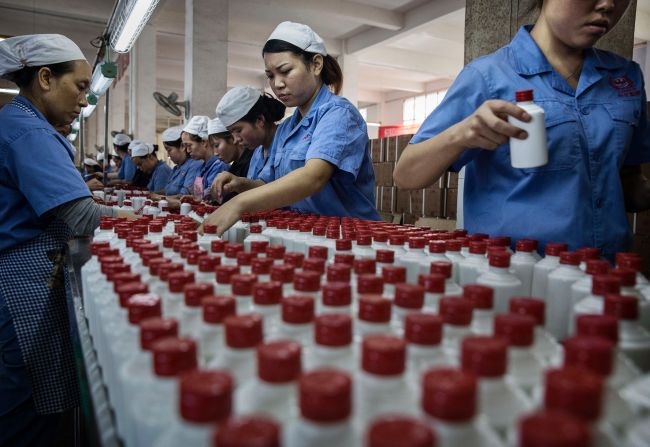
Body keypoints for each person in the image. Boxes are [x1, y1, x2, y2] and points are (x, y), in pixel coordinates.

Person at [393, 0, 650, 259]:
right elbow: (406, 175)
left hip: (607, 274)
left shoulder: (625, 78)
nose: (607, 4)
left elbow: (628, 186)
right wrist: (461, 134)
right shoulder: (488, 76)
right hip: (517, 271)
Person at [0, 34, 136, 446]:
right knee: (30, 403)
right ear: (44, 78)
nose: (83, 99)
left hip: (25, 270)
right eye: (79, 86)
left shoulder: (18, 122)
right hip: (20, 280)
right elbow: (81, 216)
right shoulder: (28, 132)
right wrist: (138, 219)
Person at [204, 21, 379, 234]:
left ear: (316, 64)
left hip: (350, 236)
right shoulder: (287, 128)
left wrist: (238, 203)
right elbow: (268, 184)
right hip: (308, 234)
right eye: (270, 76)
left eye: (285, 71)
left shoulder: (338, 114)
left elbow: (313, 177)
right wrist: (241, 183)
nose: (277, 84)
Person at [213, 86, 286, 186]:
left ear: (259, 120)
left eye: (238, 130)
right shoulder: (257, 153)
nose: (235, 140)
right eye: (231, 133)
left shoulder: (287, 142)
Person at [207, 116, 253, 203]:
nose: (215, 153)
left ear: (232, 138)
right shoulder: (234, 166)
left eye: (216, 145)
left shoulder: (251, 161)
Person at [182, 115, 227, 200]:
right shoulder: (202, 167)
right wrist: (193, 198)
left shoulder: (219, 165)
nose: (188, 151)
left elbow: (212, 199)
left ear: (204, 142)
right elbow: (201, 196)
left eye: (189, 145)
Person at [160, 125, 203, 196]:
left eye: (169, 150)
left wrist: (159, 198)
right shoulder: (176, 169)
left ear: (182, 146)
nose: (168, 155)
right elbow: (167, 191)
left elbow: (185, 196)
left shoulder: (194, 165)